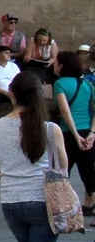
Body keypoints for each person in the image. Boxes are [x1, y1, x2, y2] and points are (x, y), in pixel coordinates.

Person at [0, 71, 67, 242]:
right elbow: (63, 168)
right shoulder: (50, 129)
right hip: (42, 202)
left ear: (12, 94)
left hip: (11, 202)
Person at [51, 51, 95, 215]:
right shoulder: (87, 84)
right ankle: (90, 204)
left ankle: (63, 205)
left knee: (63, 169)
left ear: (62, 66)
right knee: (88, 169)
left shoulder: (60, 84)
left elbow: (65, 111)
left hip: (67, 132)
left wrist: (75, 135)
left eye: (56, 62)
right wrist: (92, 133)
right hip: (87, 131)